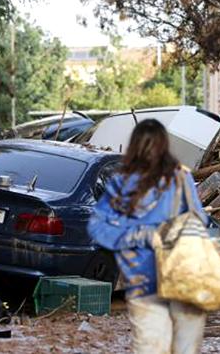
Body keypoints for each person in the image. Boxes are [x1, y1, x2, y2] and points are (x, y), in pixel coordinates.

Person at [88, 119, 209, 354]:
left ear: (134, 146)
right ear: (165, 145)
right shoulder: (181, 178)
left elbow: (98, 228)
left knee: (150, 346)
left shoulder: (121, 183)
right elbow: (200, 221)